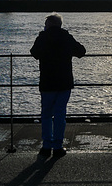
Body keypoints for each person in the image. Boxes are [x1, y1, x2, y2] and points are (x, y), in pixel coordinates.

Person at [30, 12, 86, 158]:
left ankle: (46, 146)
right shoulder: (66, 37)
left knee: (46, 114)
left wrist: (42, 37)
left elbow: (34, 53)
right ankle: (58, 146)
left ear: (49, 24)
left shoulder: (43, 37)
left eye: (45, 24)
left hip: (47, 81)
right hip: (64, 81)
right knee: (60, 114)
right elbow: (81, 51)